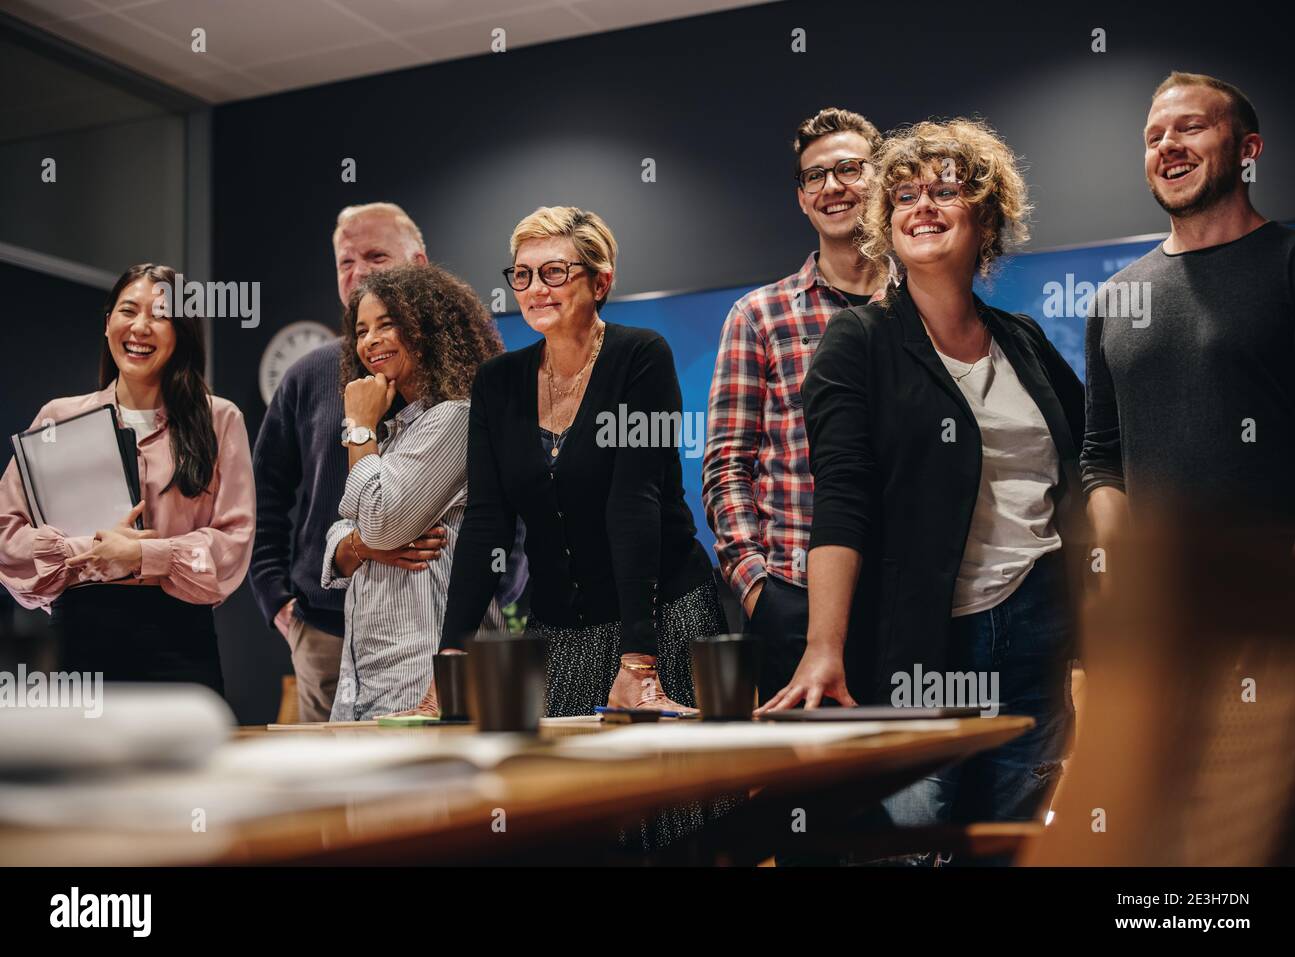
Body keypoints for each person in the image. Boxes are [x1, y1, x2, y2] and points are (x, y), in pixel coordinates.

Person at [762, 120, 1085, 835]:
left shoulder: (1025, 340)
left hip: (1038, 629)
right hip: (918, 644)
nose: (922, 206)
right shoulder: (858, 342)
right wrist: (824, 647)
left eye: (946, 190)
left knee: (1011, 839)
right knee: (914, 841)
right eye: (904, 195)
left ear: (988, 215)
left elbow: (1083, 468)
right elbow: (841, 500)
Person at [422, 206, 726, 720]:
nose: (535, 288)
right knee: (569, 793)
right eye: (522, 274)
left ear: (601, 282)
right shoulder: (497, 383)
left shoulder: (641, 357)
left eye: (554, 272)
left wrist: (637, 663)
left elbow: (635, 499)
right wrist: (450, 660)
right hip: (560, 632)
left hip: (659, 621)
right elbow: (486, 523)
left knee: (674, 796)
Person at [703, 107, 890, 705]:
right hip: (795, 596)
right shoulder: (759, 316)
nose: (832, 187)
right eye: (815, 177)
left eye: (849, 169)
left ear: (882, 179)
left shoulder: (922, 308)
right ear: (802, 199)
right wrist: (759, 587)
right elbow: (727, 466)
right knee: (808, 790)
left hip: (909, 595)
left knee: (920, 789)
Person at [0, 263, 255, 694]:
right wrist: (94, 551)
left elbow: (233, 543)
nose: (140, 327)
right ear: (107, 324)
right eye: (128, 310)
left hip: (180, 645)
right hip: (81, 643)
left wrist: (143, 557)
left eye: (159, 315)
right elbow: (8, 539)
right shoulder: (58, 419)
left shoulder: (220, 419)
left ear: (181, 333)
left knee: (188, 763)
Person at [1082, 72, 1295, 561]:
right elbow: (1102, 456)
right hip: (1159, 613)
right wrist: (1120, 574)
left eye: (1191, 127)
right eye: (1154, 137)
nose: (1168, 146)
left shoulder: (1291, 266)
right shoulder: (1116, 297)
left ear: (1249, 149)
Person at [249, 203, 446, 720]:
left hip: (432, 639)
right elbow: (262, 497)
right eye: (345, 262)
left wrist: (491, 603)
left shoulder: (463, 384)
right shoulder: (307, 375)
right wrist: (281, 606)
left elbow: (507, 510)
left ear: (419, 264)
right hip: (324, 637)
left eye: (375, 256)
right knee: (330, 798)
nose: (357, 273)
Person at [322, 263, 510, 720]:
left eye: (388, 324)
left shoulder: (454, 419)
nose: (370, 341)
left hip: (423, 678)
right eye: (362, 330)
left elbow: (380, 521)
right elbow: (339, 541)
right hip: (364, 679)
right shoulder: (392, 434)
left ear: (427, 328)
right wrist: (361, 543)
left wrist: (358, 426)